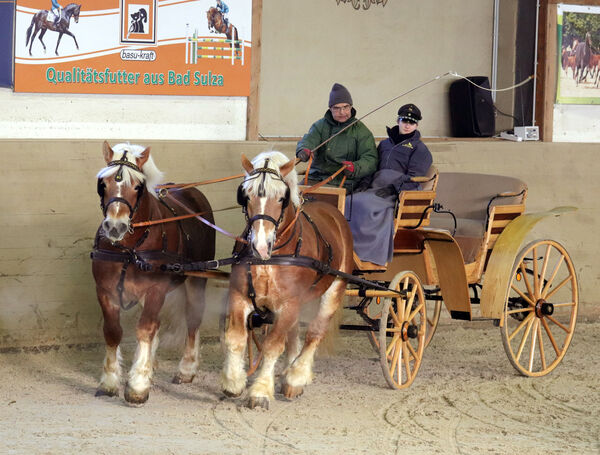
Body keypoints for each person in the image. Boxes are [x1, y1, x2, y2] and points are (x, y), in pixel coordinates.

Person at [345, 103, 433, 266]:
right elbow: (373, 166)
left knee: (366, 206)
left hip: (397, 191)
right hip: (375, 186)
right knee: (349, 201)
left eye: (411, 122)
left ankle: (367, 253)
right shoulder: (385, 144)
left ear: (417, 125)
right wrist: (364, 183)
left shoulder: (419, 149)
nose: (407, 125)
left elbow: (415, 177)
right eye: (404, 120)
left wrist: (393, 188)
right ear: (398, 121)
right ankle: (347, 249)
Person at [296, 83, 378, 193]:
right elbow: (309, 140)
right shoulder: (320, 126)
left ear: (351, 107)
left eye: (345, 107)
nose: (342, 112)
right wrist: (303, 149)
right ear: (330, 109)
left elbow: (371, 159)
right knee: (291, 200)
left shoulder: (362, 131)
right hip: (315, 178)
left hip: (345, 182)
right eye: (337, 108)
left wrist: (355, 167)